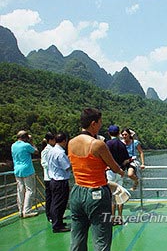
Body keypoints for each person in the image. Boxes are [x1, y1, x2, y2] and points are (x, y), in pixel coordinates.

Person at [68, 108, 125, 251]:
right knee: (101, 238)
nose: (101, 125)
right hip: (96, 193)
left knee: (77, 237)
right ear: (93, 124)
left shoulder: (71, 143)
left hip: (77, 191)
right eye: (100, 122)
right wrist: (122, 171)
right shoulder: (97, 144)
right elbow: (114, 167)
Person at [105, 125, 131, 226]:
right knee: (120, 194)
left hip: (110, 172)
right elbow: (126, 160)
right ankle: (120, 217)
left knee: (111, 195)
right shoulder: (121, 144)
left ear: (109, 133)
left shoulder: (106, 144)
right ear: (118, 133)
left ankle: (112, 218)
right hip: (120, 172)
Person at [11, 130, 39, 218]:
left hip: (17, 170)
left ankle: (20, 210)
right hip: (27, 170)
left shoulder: (13, 145)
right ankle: (27, 210)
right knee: (30, 190)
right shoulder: (26, 145)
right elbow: (36, 151)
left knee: (20, 190)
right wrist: (31, 142)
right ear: (25, 138)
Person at [47, 132, 71, 233]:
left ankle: (58, 221)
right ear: (64, 141)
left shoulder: (51, 151)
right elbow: (67, 167)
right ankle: (57, 225)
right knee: (59, 203)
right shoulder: (60, 153)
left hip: (53, 180)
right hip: (60, 181)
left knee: (54, 202)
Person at [40, 132, 56, 222]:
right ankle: (49, 215)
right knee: (49, 197)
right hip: (49, 177)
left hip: (53, 176)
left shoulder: (52, 149)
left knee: (54, 197)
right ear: (50, 140)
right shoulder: (46, 150)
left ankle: (55, 214)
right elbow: (43, 163)